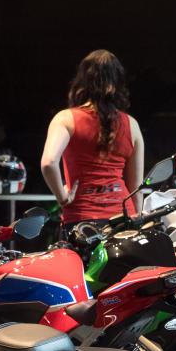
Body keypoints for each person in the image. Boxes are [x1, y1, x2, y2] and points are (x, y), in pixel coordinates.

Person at [40, 49, 143, 231]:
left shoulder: (65, 119)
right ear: (117, 82)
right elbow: (135, 187)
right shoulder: (131, 124)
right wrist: (138, 222)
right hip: (123, 218)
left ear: (82, 80)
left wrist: (62, 197)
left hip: (82, 221)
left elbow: (48, 163)